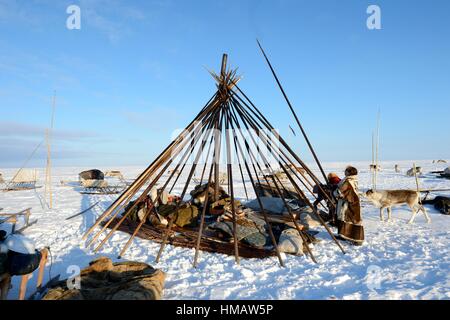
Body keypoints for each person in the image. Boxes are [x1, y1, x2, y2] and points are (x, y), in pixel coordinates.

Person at [334, 166, 364, 246]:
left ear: (349, 172)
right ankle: (343, 235)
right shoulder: (353, 179)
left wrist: (334, 192)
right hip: (353, 201)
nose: (345, 172)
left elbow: (341, 192)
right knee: (347, 218)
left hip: (349, 202)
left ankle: (357, 239)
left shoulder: (348, 181)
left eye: (346, 171)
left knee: (352, 219)